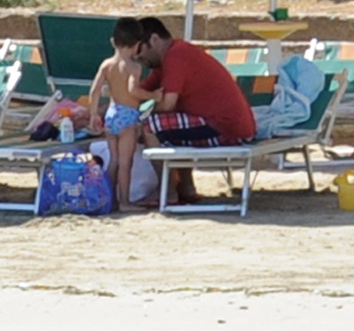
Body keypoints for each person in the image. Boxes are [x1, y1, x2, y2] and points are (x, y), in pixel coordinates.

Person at [107, 17, 255, 213]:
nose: (137, 57)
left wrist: (138, 117)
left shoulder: (177, 57)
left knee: (151, 126)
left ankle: (167, 191)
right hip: (227, 123)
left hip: (226, 127)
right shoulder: (168, 59)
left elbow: (167, 105)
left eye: (138, 49)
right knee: (175, 125)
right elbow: (136, 93)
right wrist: (101, 111)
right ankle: (185, 186)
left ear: (154, 40)